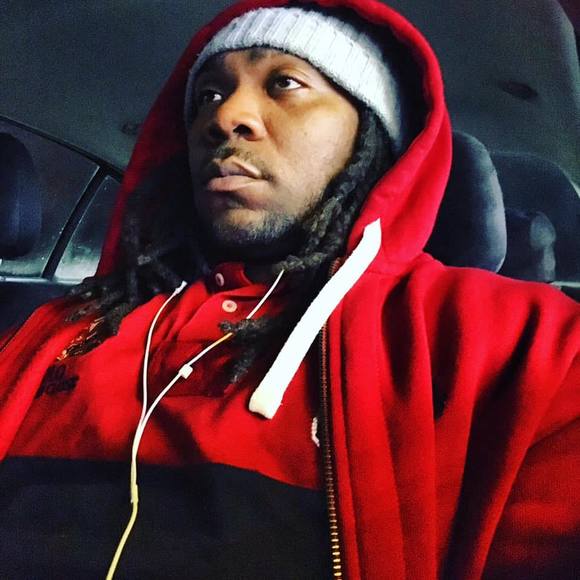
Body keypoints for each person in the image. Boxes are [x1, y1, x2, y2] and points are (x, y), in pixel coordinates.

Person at [0, 0, 578, 578]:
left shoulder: (519, 346)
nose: (225, 116)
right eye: (208, 95)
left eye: (285, 83)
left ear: (371, 140)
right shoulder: (62, 329)